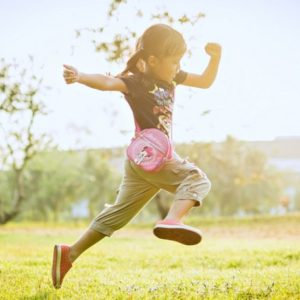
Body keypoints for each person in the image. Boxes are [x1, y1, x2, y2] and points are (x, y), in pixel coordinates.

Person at [52, 23, 221, 289]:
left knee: (117, 215)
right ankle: (173, 220)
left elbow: (205, 81)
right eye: (174, 61)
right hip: (154, 158)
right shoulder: (136, 82)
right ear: (152, 60)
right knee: (198, 180)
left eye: (180, 61)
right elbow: (108, 82)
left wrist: (215, 58)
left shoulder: (171, 77)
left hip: (140, 162)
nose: (178, 67)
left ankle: (69, 253)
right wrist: (80, 75)